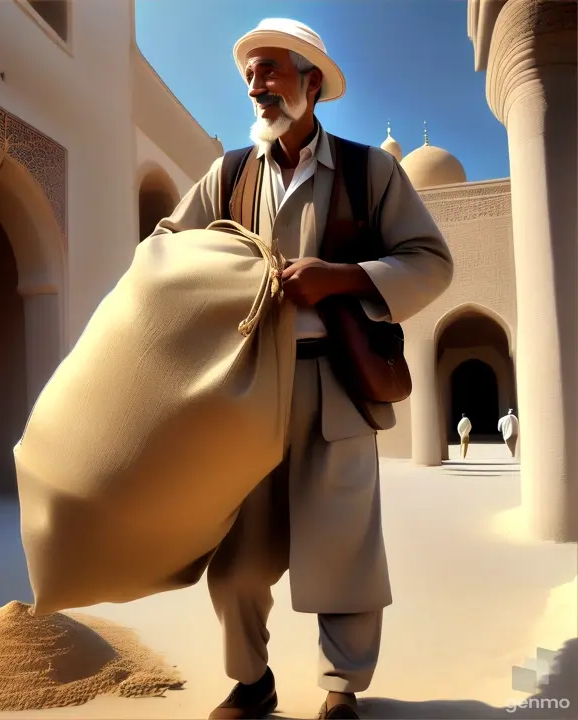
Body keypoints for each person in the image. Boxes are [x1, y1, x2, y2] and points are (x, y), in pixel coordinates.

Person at [147, 18, 453, 720]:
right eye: (250, 72)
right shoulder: (226, 174)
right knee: (236, 560)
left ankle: (341, 690)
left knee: (342, 546)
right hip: (250, 391)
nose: (256, 84)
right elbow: (166, 245)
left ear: (312, 83)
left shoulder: (369, 171)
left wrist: (340, 278)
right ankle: (251, 683)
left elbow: (431, 262)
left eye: (272, 69)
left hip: (336, 386)